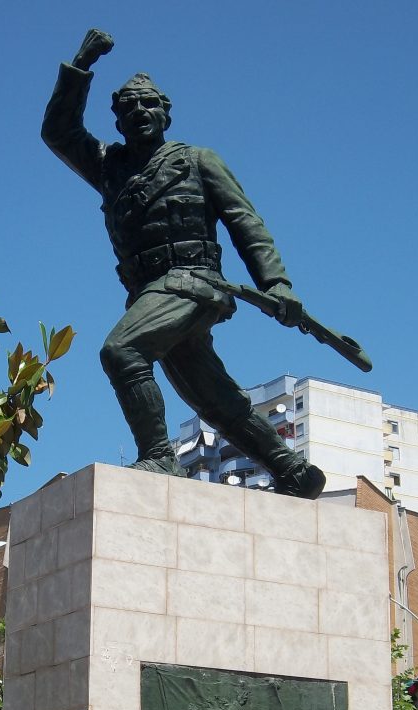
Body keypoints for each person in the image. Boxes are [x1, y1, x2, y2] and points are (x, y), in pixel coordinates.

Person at [42, 28, 326, 500]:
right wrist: (81, 65)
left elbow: (244, 222)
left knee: (122, 351)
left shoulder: (199, 160)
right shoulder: (110, 168)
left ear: (166, 113)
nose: (140, 113)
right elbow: (58, 132)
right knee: (211, 396)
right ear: (116, 121)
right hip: (150, 294)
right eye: (129, 108)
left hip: (194, 283)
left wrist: (277, 284)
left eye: (149, 104)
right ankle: (291, 469)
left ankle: (159, 455)